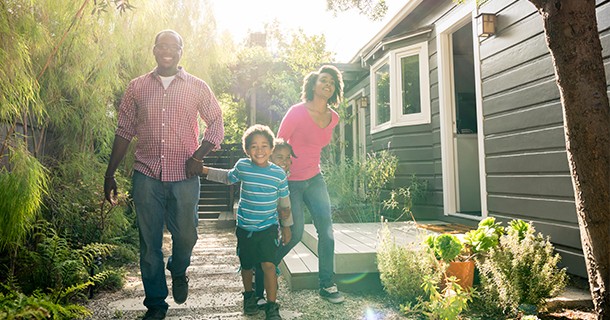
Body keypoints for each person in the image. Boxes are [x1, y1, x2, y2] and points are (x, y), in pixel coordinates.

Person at [103, 29, 224, 320]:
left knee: (187, 236)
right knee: (149, 244)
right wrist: (110, 174)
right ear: (154, 49)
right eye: (162, 45)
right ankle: (156, 304)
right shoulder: (137, 87)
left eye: (174, 46)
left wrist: (198, 156)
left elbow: (216, 123)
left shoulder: (196, 86)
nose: (168, 50)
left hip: (184, 175)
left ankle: (179, 268)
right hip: (146, 175)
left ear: (181, 51)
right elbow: (123, 131)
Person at [200, 124, 292, 320]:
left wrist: (287, 227)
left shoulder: (278, 174)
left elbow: (285, 205)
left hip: (268, 227)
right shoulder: (243, 166)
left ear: (271, 148)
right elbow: (227, 177)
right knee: (247, 265)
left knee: (269, 265)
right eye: (254, 146)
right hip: (245, 227)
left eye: (264, 146)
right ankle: (249, 297)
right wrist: (203, 170)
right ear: (247, 149)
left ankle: (272, 306)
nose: (259, 151)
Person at [275, 65, 345, 304]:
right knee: (294, 233)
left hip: (315, 178)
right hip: (291, 181)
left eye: (332, 83)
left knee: (327, 232)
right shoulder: (296, 112)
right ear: (314, 84)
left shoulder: (333, 117)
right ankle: (264, 267)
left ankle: (326, 284)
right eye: (324, 80)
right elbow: (278, 143)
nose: (328, 85)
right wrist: (277, 176)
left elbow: (319, 146)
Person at [253, 138, 297, 306]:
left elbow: (285, 204)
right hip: (257, 224)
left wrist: (285, 223)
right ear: (270, 157)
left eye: (287, 158)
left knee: (267, 260)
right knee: (260, 260)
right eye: (280, 157)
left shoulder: (285, 176)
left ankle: (266, 285)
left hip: (273, 228)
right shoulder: (263, 174)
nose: (284, 161)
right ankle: (257, 295)